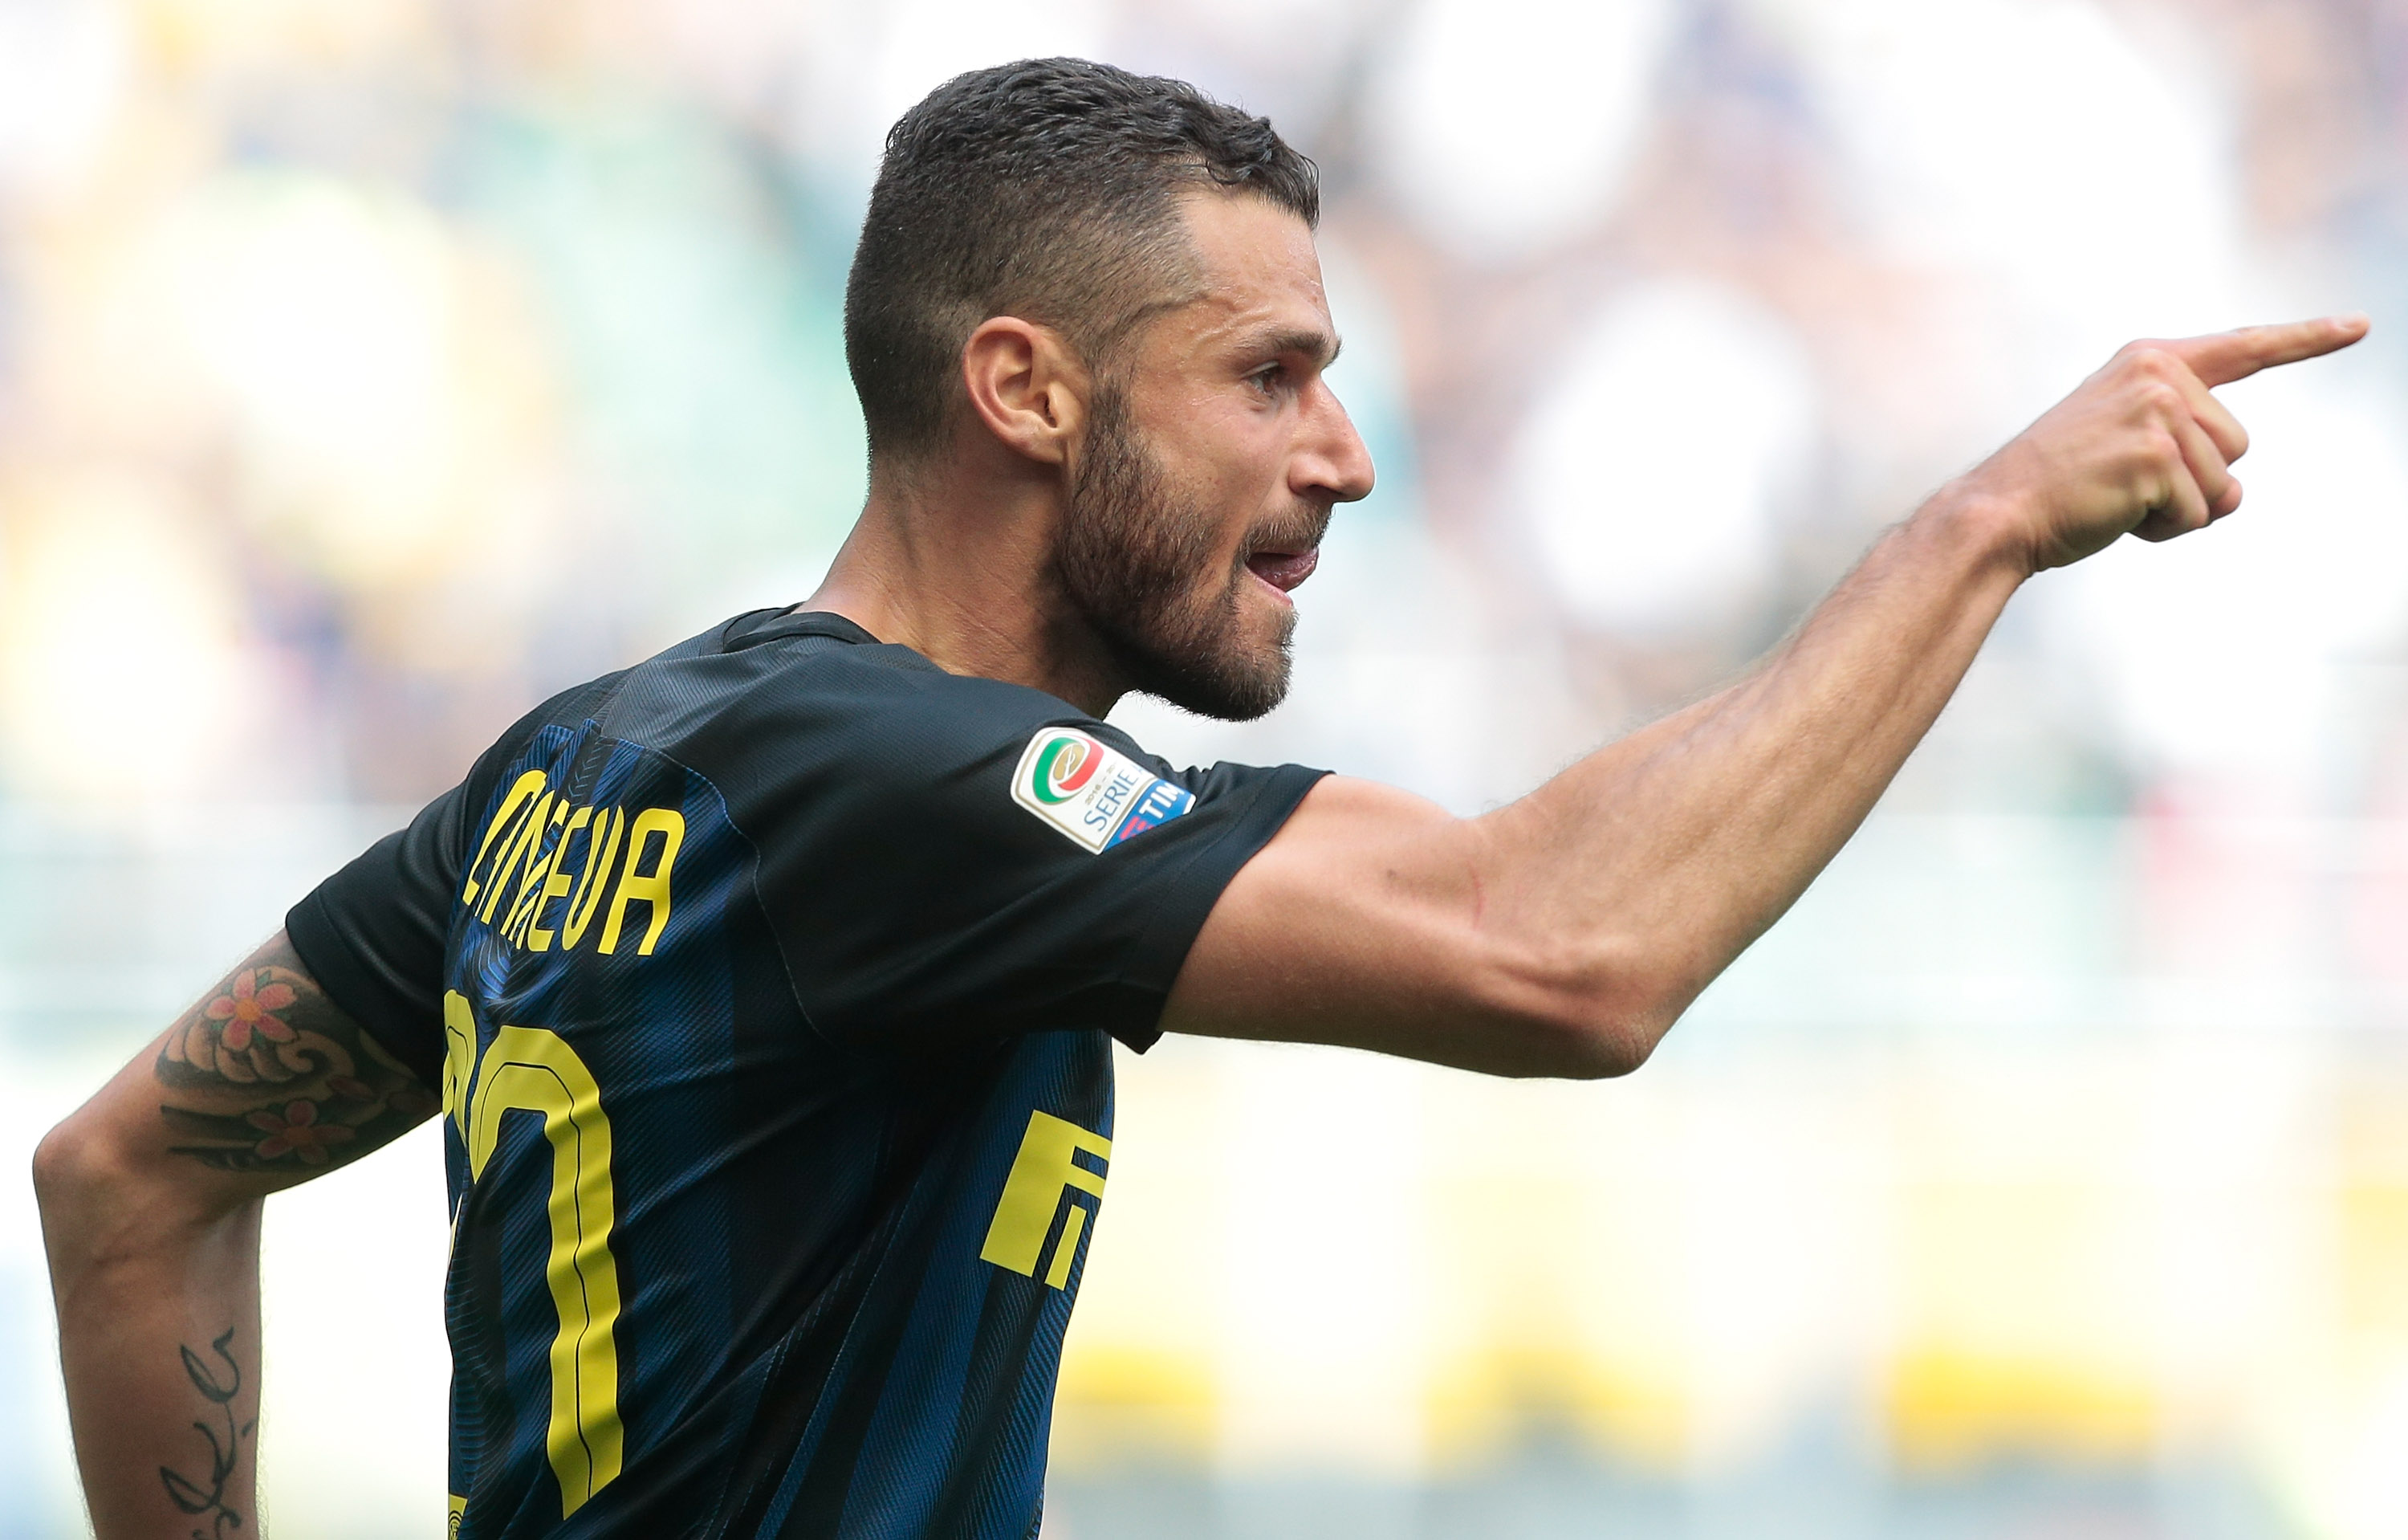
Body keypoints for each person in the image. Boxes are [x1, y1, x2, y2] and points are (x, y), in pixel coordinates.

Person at [31, 54, 2365, 1540]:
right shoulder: (907, 793)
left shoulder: (605, 758)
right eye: (1270, 377)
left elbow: (123, 1168)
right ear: (1028, 389)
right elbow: (1568, 949)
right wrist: (1980, 529)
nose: (1345, 453)